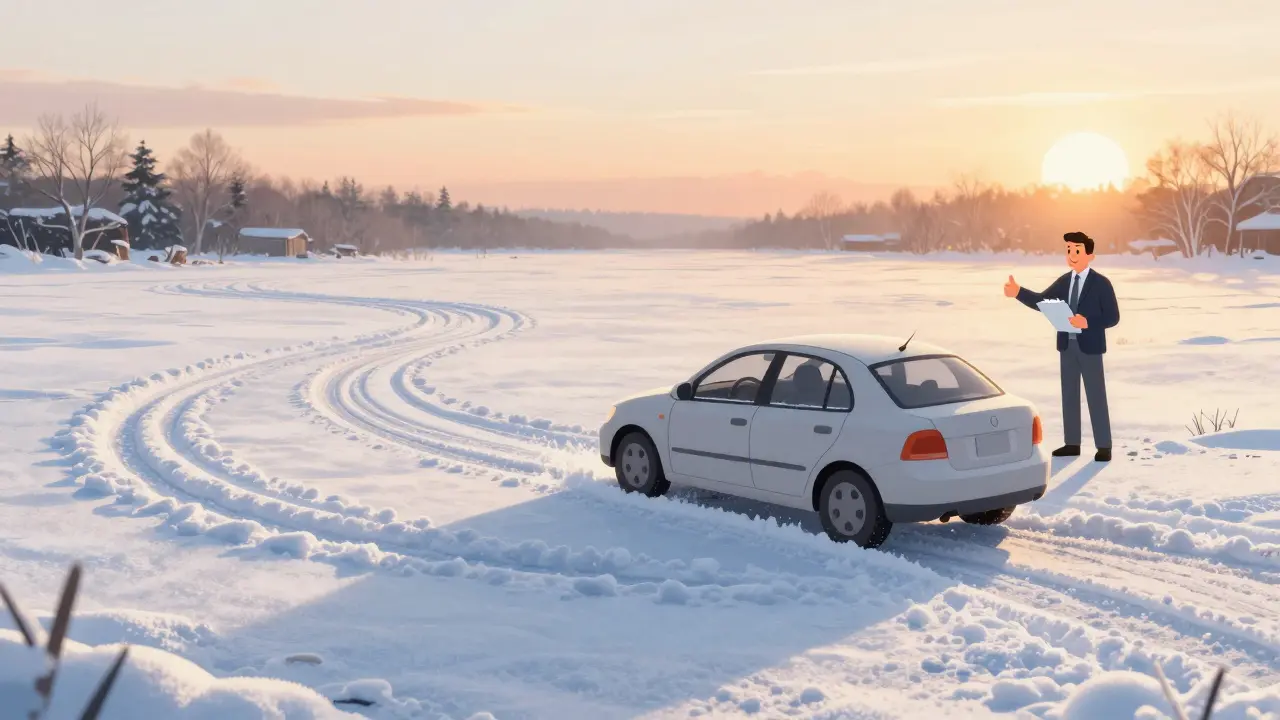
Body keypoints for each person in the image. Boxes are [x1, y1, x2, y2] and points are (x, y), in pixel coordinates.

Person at [1003, 231, 1120, 462]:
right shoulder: (1064, 281)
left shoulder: (1101, 284)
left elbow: (1113, 317)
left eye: (1077, 250)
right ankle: (1072, 443)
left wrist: (1088, 323)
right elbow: (1042, 301)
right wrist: (1018, 293)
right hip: (1067, 346)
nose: (1071, 255)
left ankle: (1104, 445)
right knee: (1069, 395)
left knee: (1096, 395)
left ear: (1090, 255)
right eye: (1068, 250)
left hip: (1090, 348)